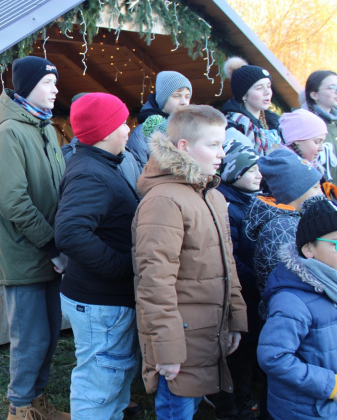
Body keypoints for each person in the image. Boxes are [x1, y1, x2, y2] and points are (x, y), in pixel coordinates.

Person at [132, 105, 248, 420]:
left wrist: (235, 318)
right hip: (179, 346)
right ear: (184, 147)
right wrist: (166, 352)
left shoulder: (212, 196)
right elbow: (154, 283)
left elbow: (227, 264)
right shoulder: (164, 201)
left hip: (208, 335)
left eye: (222, 144)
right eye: (212, 145)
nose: (222, 152)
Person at [0, 56, 68, 420]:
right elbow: (12, 200)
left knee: (50, 334)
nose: (56, 90)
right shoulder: (10, 133)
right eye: (49, 82)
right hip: (26, 253)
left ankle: (37, 403)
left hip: (51, 250)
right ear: (28, 86)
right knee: (30, 338)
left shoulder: (46, 129)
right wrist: (50, 244)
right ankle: (19, 409)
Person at [55, 93, 139, 419]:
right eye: (122, 123)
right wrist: (120, 267)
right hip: (100, 302)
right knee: (97, 389)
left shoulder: (103, 164)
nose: (129, 129)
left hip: (107, 300)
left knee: (113, 381)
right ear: (104, 132)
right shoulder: (91, 173)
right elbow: (70, 233)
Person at [257, 197, 337, 419]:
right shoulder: (293, 300)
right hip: (304, 411)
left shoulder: (332, 282)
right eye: (336, 244)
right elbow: (273, 356)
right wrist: (331, 385)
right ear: (309, 248)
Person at [211, 140, 262, 420]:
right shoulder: (229, 206)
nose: (258, 175)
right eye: (250, 169)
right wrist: (255, 281)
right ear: (234, 172)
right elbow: (230, 256)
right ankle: (229, 404)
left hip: (251, 292)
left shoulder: (251, 202)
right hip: (242, 291)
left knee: (247, 348)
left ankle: (242, 397)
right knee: (237, 353)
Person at [244, 148, 325, 319]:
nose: (322, 194)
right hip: (291, 317)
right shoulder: (281, 227)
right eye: (316, 188)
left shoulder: (294, 219)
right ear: (294, 191)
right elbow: (289, 280)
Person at [127, 70, 192, 168]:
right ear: (163, 99)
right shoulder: (143, 132)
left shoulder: (192, 128)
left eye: (187, 97)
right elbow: (138, 170)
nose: (184, 102)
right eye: (176, 96)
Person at [221, 57, 281, 155]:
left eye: (268, 86)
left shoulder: (274, 123)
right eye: (259, 88)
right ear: (244, 95)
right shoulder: (233, 125)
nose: (267, 92)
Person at [302, 70, 337, 181]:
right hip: (319, 191)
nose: (336, 91)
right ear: (314, 95)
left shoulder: (334, 122)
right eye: (331, 87)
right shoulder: (303, 124)